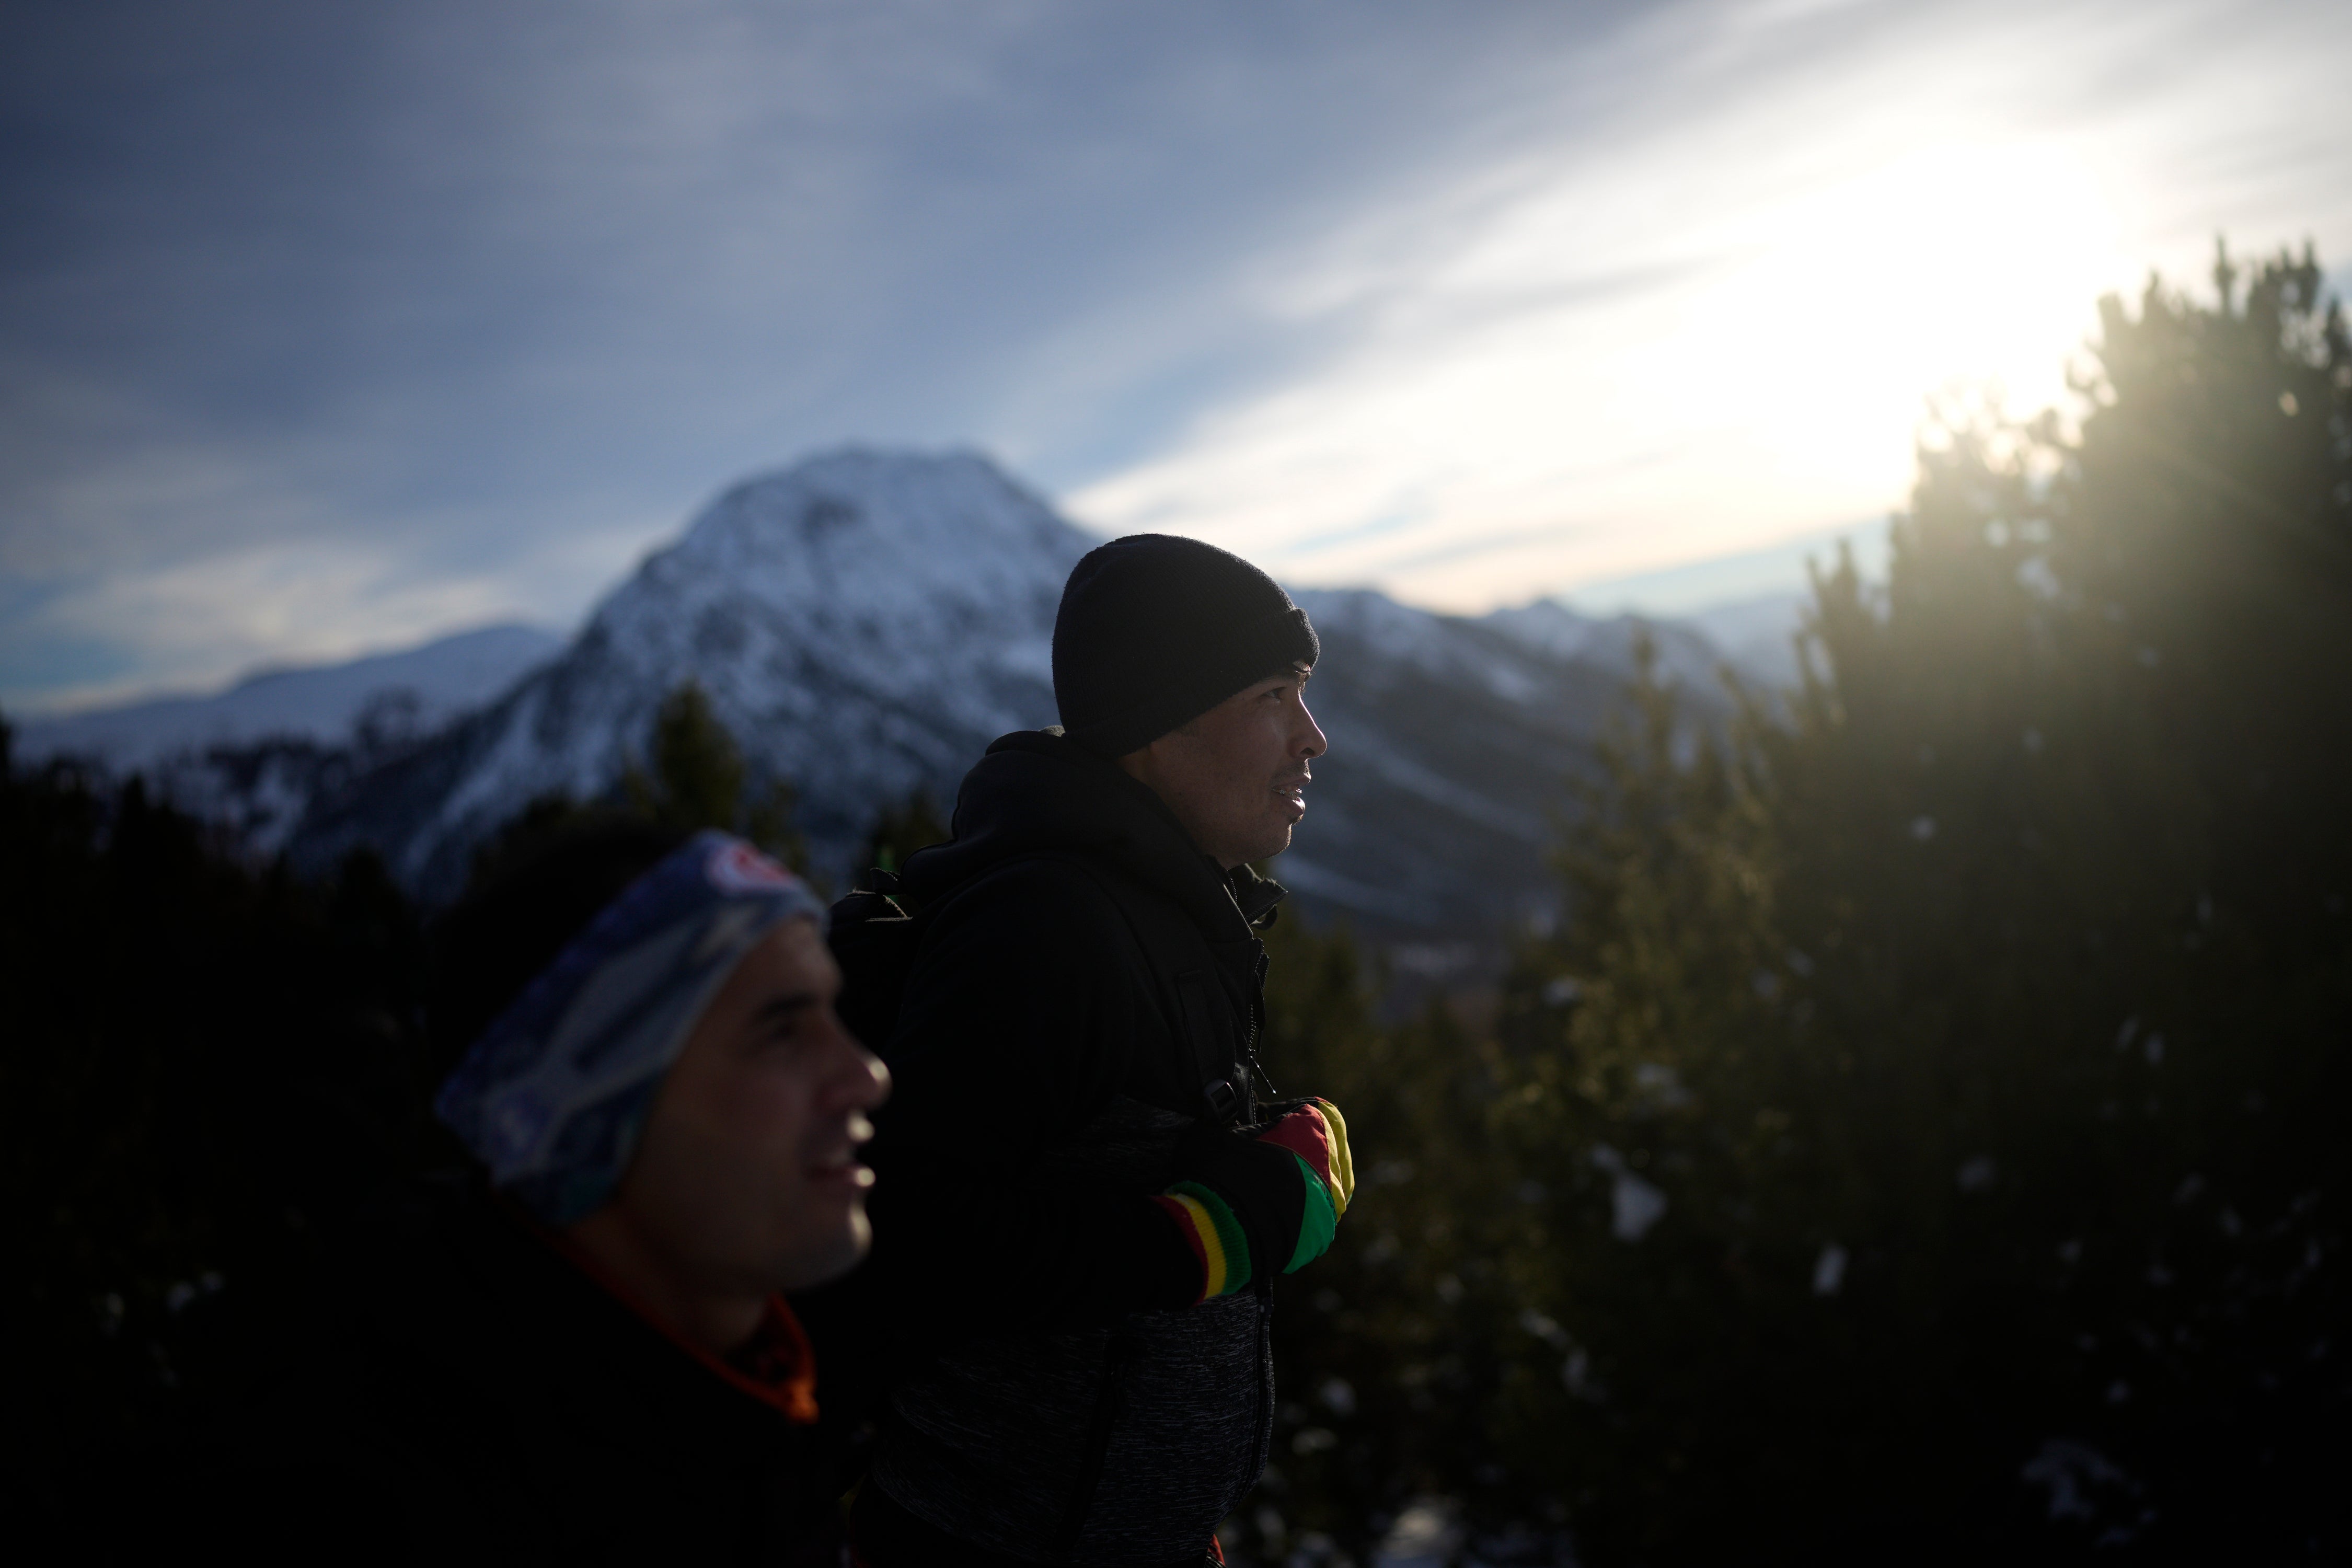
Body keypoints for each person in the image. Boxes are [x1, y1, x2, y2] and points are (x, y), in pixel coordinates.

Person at [844, 534, 1356, 1568]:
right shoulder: (1046, 929)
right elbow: (911, 1238)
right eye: (1273, 695)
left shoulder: (1151, 900)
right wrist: (1223, 1231)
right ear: (1155, 723)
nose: (1315, 738)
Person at [250, 818, 891, 1562]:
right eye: (781, 1032)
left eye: (831, 1015)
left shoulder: (744, 1409)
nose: (865, 1076)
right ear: (586, 1120)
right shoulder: (394, 1504)